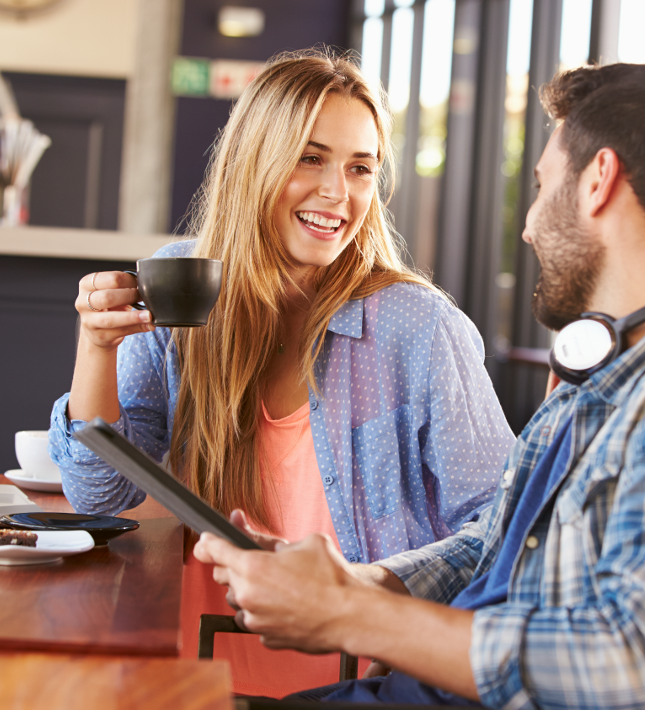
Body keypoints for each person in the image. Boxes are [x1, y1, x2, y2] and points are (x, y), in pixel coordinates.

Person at [193, 63, 645, 709]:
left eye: (541, 184)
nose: (528, 223)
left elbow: (635, 664)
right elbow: (489, 548)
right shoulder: (612, 362)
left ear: (598, 181)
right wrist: (344, 583)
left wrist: (343, 613)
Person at [47, 50, 515, 696]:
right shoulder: (181, 278)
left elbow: (504, 524)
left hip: (359, 676)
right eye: (310, 157)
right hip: (200, 657)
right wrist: (96, 345)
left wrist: (371, 588)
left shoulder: (417, 325)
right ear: (252, 162)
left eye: (360, 168)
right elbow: (98, 493)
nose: (338, 192)